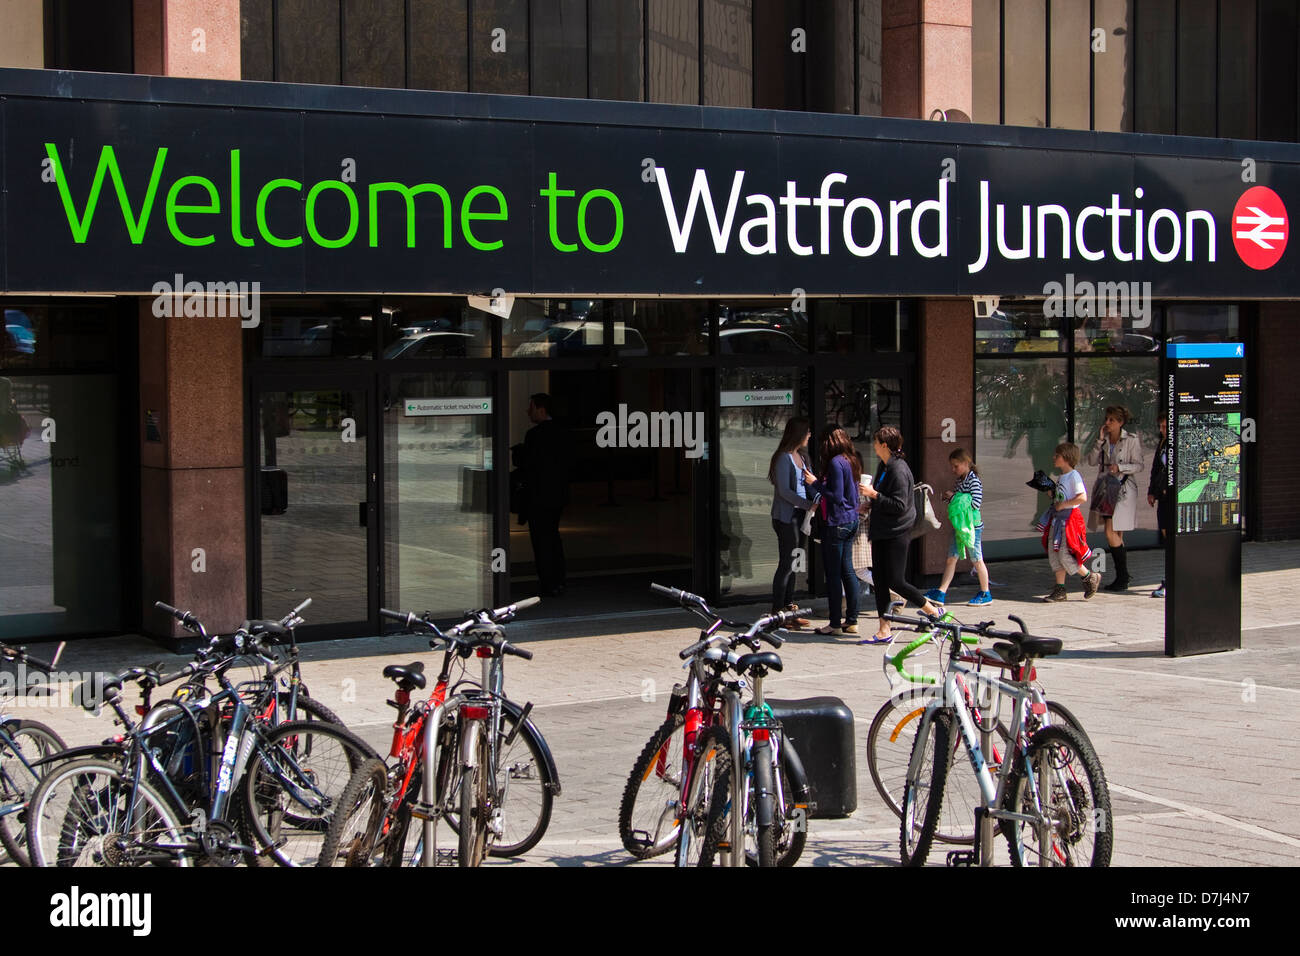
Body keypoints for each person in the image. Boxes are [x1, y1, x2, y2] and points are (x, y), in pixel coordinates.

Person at [858, 426, 942, 644]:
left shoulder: (898, 470)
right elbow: (886, 498)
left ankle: (932, 611)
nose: (874, 445)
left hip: (896, 532)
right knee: (879, 579)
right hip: (882, 531)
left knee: (896, 581)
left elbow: (899, 505)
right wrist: (871, 503)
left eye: (876, 442)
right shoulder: (884, 466)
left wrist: (874, 494)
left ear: (885, 445)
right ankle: (884, 629)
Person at [802, 428, 861, 636]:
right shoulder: (850, 459)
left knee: (834, 575)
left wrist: (814, 483)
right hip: (851, 520)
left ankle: (835, 623)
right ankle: (852, 620)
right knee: (848, 570)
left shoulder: (836, 462)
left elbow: (835, 496)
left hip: (837, 523)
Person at [1086, 405, 1145, 591]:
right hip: (1105, 489)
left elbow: (1139, 465)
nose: (1107, 423)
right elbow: (1091, 461)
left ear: (1121, 422)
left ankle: (1123, 575)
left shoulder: (1131, 440)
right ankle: (1123, 576)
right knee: (1116, 534)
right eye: (1107, 419)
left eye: (1112, 420)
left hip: (1123, 489)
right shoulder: (1103, 441)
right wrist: (1099, 440)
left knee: (1112, 533)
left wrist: (1120, 468)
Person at [925, 448, 992, 606]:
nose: (953, 469)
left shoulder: (973, 480)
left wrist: (954, 497)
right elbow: (960, 503)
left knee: (976, 559)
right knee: (951, 558)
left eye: (956, 466)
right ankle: (942, 591)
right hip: (961, 526)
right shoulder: (961, 480)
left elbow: (974, 503)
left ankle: (985, 592)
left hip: (972, 527)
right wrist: (950, 498)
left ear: (965, 463)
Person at [1040, 442, 1102, 601]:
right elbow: (1063, 497)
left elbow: (1082, 497)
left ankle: (1089, 576)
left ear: (1066, 458)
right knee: (1055, 553)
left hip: (1068, 521)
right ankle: (1060, 589)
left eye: (1057, 456)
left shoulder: (1074, 476)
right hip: (1058, 519)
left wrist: (1064, 504)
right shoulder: (1062, 477)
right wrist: (1053, 495)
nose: (1054, 458)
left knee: (1064, 554)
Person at [522, 393, 569, 597]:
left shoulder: (534, 435)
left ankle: (548, 582)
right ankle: (559, 580)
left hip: (538, 496)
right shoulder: (562, 433)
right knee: (553, 536)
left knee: (541, 540)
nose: (527, 411)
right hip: (557, 495)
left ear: (541, 410)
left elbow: (528, 465)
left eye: (530, 407)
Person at [767, 417, 812, 627]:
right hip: (787, 517)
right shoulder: (783, 458)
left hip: (802, 515)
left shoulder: (802, 456)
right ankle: (778, 610)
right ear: (799, 434)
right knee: (787, 561)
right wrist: (807, 504)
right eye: (807, 432)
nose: (810, 435)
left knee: (796, 560)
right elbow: (784, 491)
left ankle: (790, 606)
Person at [1147, 414, 1171, 598]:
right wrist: (1152, 491)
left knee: (1172, 539)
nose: (1163, 430)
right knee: (1165, 535)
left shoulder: (1178, 444)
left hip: (1172, 498)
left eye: (1165, 427)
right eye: (1161, 427)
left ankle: (1170, 579)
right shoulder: (1162, 443)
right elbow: (1156, 468)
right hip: (1162, 496)